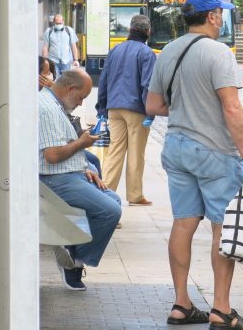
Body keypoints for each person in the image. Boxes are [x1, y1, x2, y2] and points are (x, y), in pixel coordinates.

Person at [146, 0, 243, 329]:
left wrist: (185, 110)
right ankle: (221, 310)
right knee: (222, 229)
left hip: (176, 147)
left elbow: (153, 107)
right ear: (212, 17)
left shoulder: (168, 52)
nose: (222, 18)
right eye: (220, 13)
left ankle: (181, 304)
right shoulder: (219, 53)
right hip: (213, 152)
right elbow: (232, 108)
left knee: (183, 222)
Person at [38, 68, 122, 291]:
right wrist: (81, 144)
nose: (80, 103)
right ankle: (74, 260)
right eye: (81, 97)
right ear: (70, 88)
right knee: (110, 211)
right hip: (54, 178)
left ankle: (73, 252)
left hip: (68, 173)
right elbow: (52, 156)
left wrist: (85, 165)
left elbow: (63, 145)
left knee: (114, 201)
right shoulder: (46, 108)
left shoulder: (55, 104)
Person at [96, 15, 156, 207]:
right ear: (147, 32)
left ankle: (104, 193)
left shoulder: (115, 50)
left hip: (114, 107)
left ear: (130, 29)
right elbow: (147, 84)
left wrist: (102, 107)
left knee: (114, 151)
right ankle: (135, 195)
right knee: (136, 153)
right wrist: (150, 111)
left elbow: (104, 80)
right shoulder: (146, 53)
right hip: (136, 108)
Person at [38, 56, 103, 178]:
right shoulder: (45, 104)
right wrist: (81, 143)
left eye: (52, 73)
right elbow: (52, 155)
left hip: (68, 167)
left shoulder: (54, 99)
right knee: (93, 166)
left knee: (93, 163)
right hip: (56, 174)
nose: (50, 77)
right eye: (46, 73)